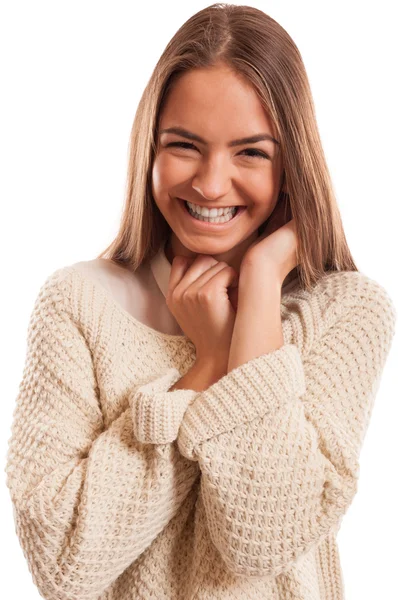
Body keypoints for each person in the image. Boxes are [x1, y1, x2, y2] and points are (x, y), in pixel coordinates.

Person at [5, 4, 396, 600]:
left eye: (251, 153)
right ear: (150, 150)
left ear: (292, 165)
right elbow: (64, 564)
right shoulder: (79, 305)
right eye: (185, 146)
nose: (211, 184)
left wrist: (261, 287)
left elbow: (265, 539)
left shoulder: (346, 312)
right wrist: (206, 368)